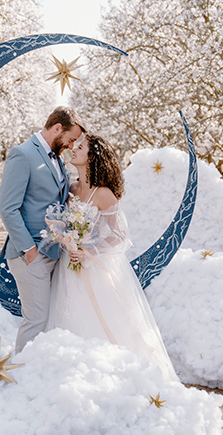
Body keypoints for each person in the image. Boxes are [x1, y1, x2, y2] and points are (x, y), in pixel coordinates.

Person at [46, 133, 179, 382]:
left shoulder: (104, 193)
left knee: (101, 319)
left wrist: (88, 251)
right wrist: (63, 237)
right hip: (68, 265)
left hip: (93, 266)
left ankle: (109, 377)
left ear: (92, 157)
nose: (73, 149)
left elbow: (120, 235)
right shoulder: (71, 189)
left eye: (81, 147)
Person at [0, 106, 86, 354]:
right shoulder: (22, 155)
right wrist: (29, 249)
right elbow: (8, 209)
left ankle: (37, 376)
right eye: (70, 139)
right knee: (36, 319)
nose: (71, 146)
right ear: (57, 128)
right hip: (30, 254)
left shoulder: (57, 158)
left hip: (55, 252)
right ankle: (20, 377)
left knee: (48, 320)